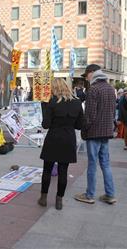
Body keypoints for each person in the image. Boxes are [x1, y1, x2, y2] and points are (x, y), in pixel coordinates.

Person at [38, 78, 84, 210]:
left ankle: (43, 198)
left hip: (53, 138)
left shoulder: (52, 102)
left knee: (47, 169)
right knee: (63, 171)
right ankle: (59, 200)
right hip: (68, 139)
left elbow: (45, 125)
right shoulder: (77, 102)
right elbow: (80, 125)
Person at [74, 64, 117, 205]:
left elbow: (90, 115)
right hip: (106, 131)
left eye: (86, 75)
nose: (86, 78)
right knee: (105, 163)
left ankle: (90, 194)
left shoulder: (94, 89)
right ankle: (110, 194)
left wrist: (84, 130)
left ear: (92, 73)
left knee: (92, 164)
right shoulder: (111, 89)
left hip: (94, 132)